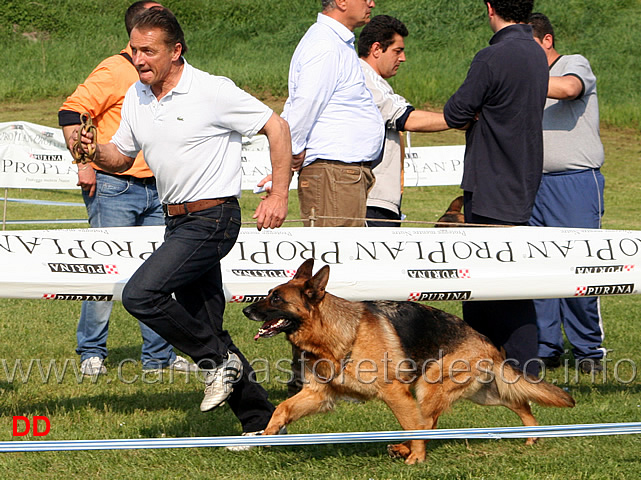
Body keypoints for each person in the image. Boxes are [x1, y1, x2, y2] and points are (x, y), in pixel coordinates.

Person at [74, 7, 292, 436]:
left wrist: (279, 194)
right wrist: (94, 150)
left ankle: (218, 363)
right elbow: (120, 156)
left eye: (148, 51)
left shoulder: (212, 90)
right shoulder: (136, 96)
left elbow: (277, 126)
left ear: (176, 51)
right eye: (134, 50)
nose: (138, 60)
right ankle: (261, 423)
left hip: (213, 218)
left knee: (140, 294)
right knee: (208, 327)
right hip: (177, 221)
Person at [58, 1, 195, 377]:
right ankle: (91, 352)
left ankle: (159, 358)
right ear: (136, 27)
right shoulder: (116, 68)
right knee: (104, 271)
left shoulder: (169, 74)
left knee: (156, 278)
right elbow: (72, 112)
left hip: (160, 190)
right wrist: (84, 161)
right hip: (116, 187)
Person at [443, 0, 549, 376]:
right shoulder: (537, 53)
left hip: (491, 180)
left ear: (491, 8)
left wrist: (476, 110)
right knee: (511, 280)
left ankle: (504, 368)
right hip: (522, 177)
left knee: (484, 284)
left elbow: (455, 112)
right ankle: (517, 366)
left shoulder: (492, 56)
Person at [528, 12, 606, 374]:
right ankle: (547, 347)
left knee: (581, 265)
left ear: (546, 41)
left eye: (526, 46)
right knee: (539, 267)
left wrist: (519, 77)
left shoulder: (573, 63)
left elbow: (569, 89)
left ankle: (588, 349)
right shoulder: (526, 78)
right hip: (532, 183)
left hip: (574, 181)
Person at [282, 0, 384, 227]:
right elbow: (305, 102)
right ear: (342, 1)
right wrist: (293, 151)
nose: (372, 3)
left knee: (342, 257)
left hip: (339, 174)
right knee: (336, 257)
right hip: (333, 173)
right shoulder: (325, 45)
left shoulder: (334, 42)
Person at [357, 15, 449, 226]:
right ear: (377, 49)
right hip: (372, 203)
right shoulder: (365, 79)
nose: (403, 58)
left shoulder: (373, 80)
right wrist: (458, 118)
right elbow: (408, 119)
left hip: (377, 199)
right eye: (397, 51)